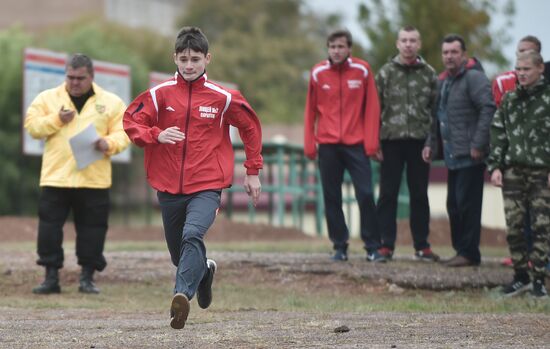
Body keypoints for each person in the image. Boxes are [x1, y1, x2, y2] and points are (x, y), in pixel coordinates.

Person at [123, 27, 263, 329]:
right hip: (168, 186)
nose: (189, 65)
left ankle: (181, 296)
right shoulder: (159, 95)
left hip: (208, 184)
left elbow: (250, 126)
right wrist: (156, 135)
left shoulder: (223, 98)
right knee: (179, 255)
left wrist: (252, 172)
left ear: (207, 59)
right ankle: (205, 272)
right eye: (184, 59)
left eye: (195, 59)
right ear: (174, 57)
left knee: (192, 235)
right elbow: (130, 120)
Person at [24, 54, 130, 294]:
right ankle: (51, 277)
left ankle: (87, 278)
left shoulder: (111, 102)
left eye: (80, 78)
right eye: (70, 77)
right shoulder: (48, 98)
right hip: (56, 177)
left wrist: (108, 143)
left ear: (91, 76)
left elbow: (125, 132)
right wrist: (56, 120)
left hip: (94, 178)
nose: (74, 83)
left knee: (93, 229)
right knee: (49, 229)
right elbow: (32, 126)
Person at [304, 29, 384, 262]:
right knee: (332, 196)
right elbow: (310, 110)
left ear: (349, 48)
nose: (336, 51)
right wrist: (310, 143)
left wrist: (371, 143)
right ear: (328, 49)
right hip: (328, 145)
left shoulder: (362, 70)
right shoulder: (318, 73)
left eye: (341, 47)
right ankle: (340, 245)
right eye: (332, 47)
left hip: (356, 144)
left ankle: (372, 246)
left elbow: (372, 108)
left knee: (366, 193)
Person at [425, 34, 496, 267]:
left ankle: (469, 254)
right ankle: (461, 251)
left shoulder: (474, 78)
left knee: (467, 204)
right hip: (452, 156)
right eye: (445, 52)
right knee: (454, 205)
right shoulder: (444, 81)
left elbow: (488, 109)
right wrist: (430, 144)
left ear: (463, 54)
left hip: (471, 155)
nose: (449, 56)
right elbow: (436, 118)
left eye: (454, 52)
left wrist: (478, 143)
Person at [487, 50, 550, 298]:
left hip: (541, 173)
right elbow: (498, 134)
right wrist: (495, 167)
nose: (521, 74)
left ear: (540, 69)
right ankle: (520, 277)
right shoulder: (510, 100)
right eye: (518, 70)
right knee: (514, 227)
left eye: (526, 69)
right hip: (513, 172)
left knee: (541, 227)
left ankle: (538, 281)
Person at [375, 26, 440, 262]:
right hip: (390, 140)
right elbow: (375, 109)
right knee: (388, 194)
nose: (408, 45)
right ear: (397, 44)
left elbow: (435, 112)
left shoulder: (429, 74)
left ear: (419, 44)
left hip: (419, 143)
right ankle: (385, 245)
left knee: (419, 194)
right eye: (404, 40)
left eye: (413, 40)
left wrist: (431, 142)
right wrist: (375, 142)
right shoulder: (385, 74)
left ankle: (422, 246)